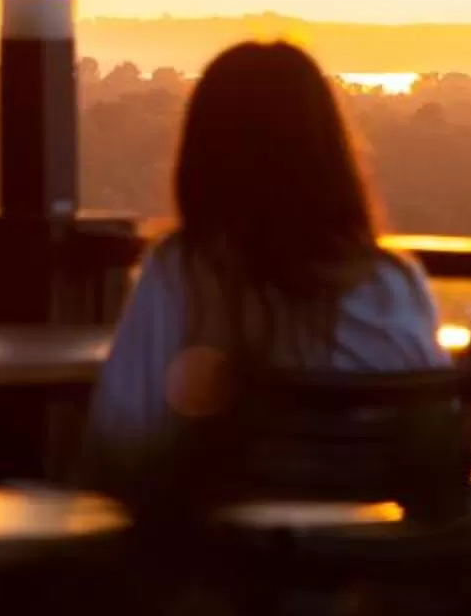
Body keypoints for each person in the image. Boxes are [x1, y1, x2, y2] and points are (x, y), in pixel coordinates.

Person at [80, 40, 445, 485]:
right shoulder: (393, 285)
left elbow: (119, 438)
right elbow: (432, 446)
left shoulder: (180, 274)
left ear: (202, 154)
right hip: (373, 526)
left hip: (219, 529)